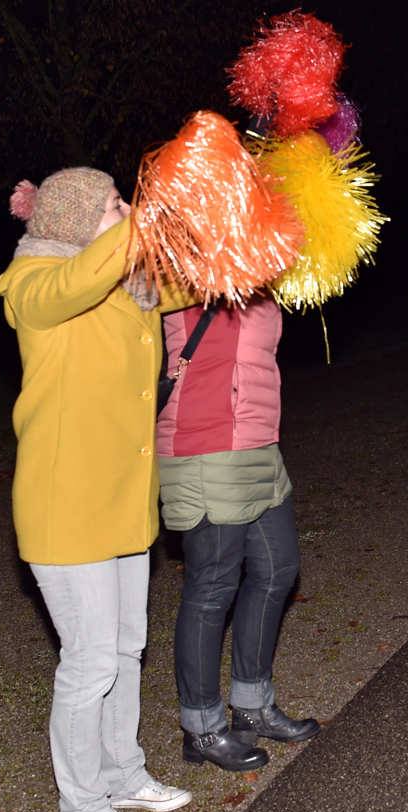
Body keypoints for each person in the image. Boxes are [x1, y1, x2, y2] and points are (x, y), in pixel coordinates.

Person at [0, 168, 198, 812]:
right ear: (80, 218)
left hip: (122, 504)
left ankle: (123, 772)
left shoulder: (132, 284)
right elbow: (78, 281)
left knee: (125, 648)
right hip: (65, 506)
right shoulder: (33, 285)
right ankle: (80, 805)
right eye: (114, 202)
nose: (128, 210)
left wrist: (253, 228)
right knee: (89, 661)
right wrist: (146, 222)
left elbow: (199, 275)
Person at [155, 293, 321, 772]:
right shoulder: (191, 260)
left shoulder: (264, 269)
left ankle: (252, 703)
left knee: (278, 569)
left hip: (258, 440)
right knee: (212, 586)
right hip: (205, 441)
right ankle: (201, 727)